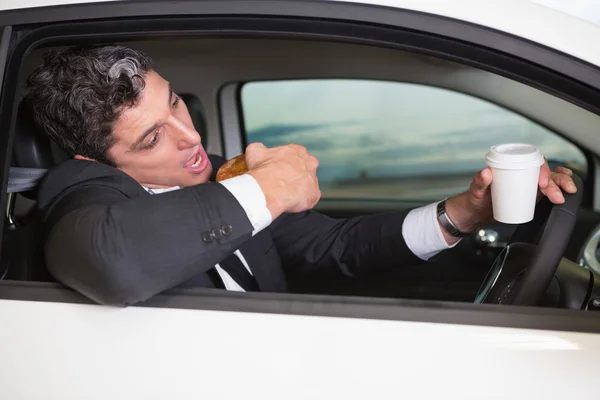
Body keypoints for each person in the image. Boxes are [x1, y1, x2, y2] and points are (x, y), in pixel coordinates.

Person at [25, 45, 576, 306]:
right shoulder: (81, 191)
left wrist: (463, 212)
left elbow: (331, 246)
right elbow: (112, 261)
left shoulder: (222, 174)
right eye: (152, 137)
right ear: (92, 160)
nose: (191, 138)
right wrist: (267, 187)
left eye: (177, 105)